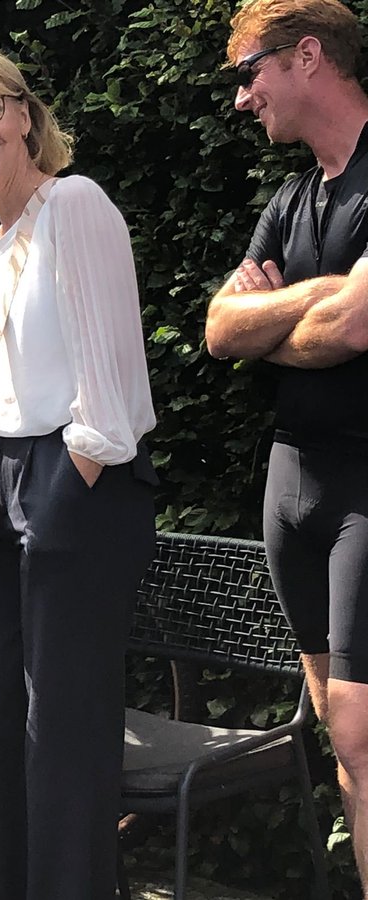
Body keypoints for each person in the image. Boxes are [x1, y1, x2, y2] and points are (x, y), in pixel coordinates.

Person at [0, 45, 157, 900]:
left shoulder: (74, 205)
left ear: (26, 115)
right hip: (11, 480)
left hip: (78, 482)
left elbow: (113, 381)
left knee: (62, 730)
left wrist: (69, 484)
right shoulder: (1, 241)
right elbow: (5, 382)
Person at [204, 0, 368, 883]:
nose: (241, 98)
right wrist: (319, 300)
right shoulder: (293, 195)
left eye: (247, 73)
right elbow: (221, 329)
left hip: (365, 482)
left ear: (308, 56)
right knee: (345, 742)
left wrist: (290, 313)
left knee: (357, 727)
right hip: (291, 481)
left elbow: (356, 324)